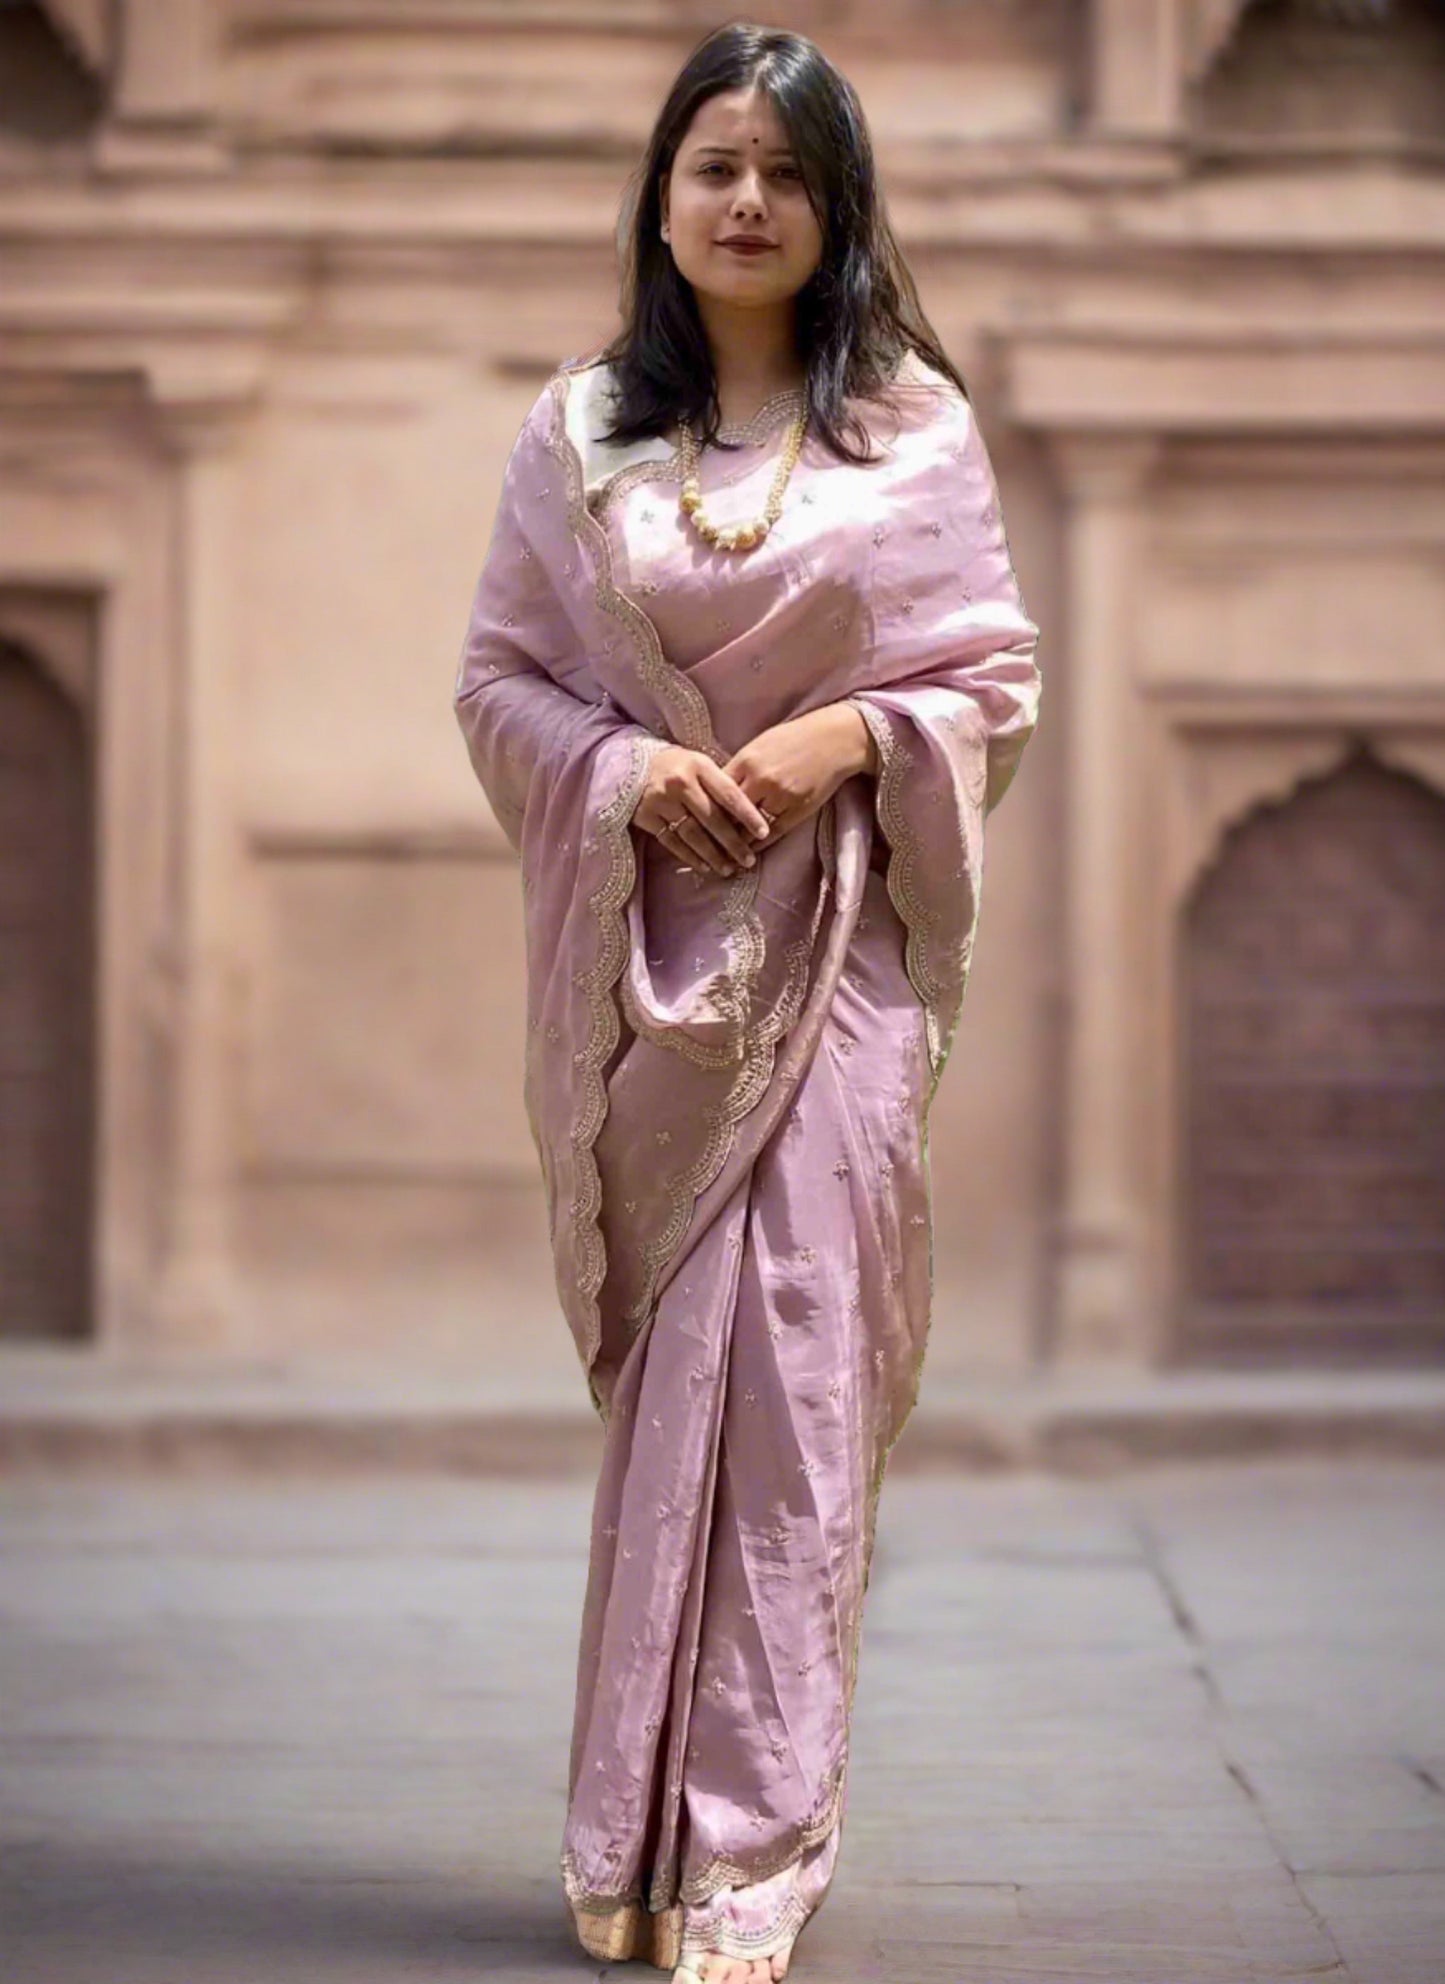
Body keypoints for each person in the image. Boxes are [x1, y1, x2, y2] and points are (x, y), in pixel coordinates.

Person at [452, 21, 1041, 1984]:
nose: (747, 200)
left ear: (836, 204)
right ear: (664, 195)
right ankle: (628, 1839)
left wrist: (839, 742)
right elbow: (502, 683)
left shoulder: (917, 436)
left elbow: (992, 684)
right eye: (714, 164)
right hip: (652, 980)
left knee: (794, 1383)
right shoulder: (581, 437)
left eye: (786, 170)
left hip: (839, 964)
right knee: (679, 1386)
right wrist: (628, 777)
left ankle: (754, 1860)